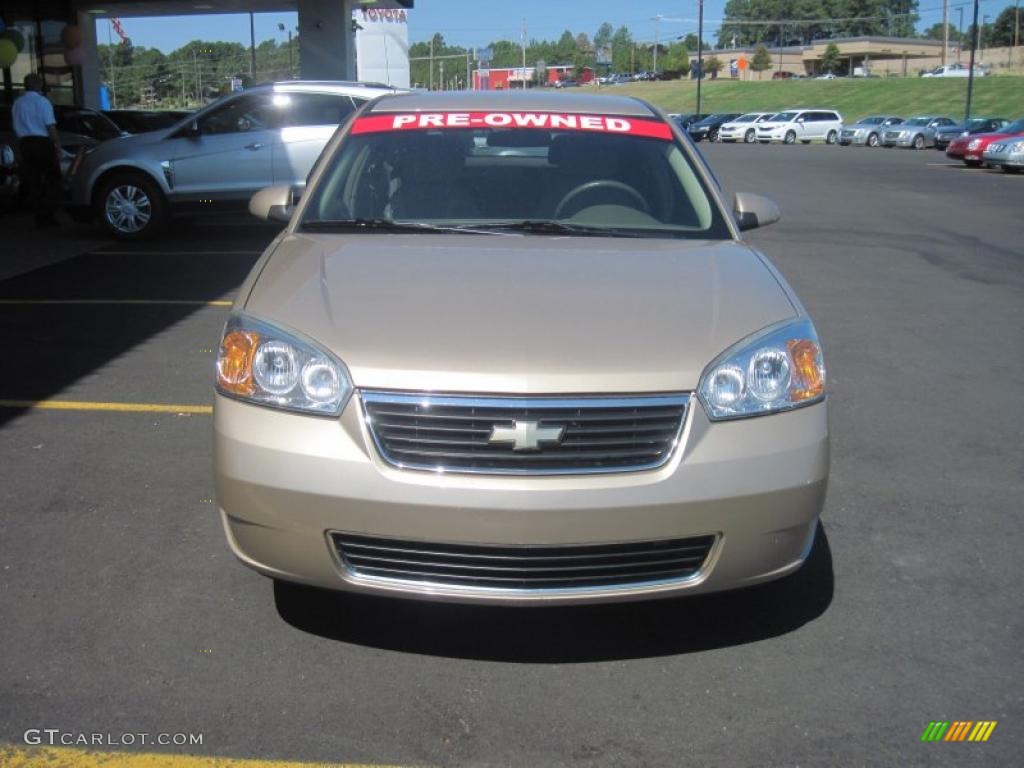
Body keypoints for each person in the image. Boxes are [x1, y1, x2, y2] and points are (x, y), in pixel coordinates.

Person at [13, 73, 62, 227]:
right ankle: (48, 214)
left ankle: (38, 215)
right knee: (52, 179)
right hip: (42, 143)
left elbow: (16, 126)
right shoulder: (42, 102)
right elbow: (50, 126)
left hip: (25, 143)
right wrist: (57, 144)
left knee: (34, 180)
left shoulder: (17, 103)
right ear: (38, 84)